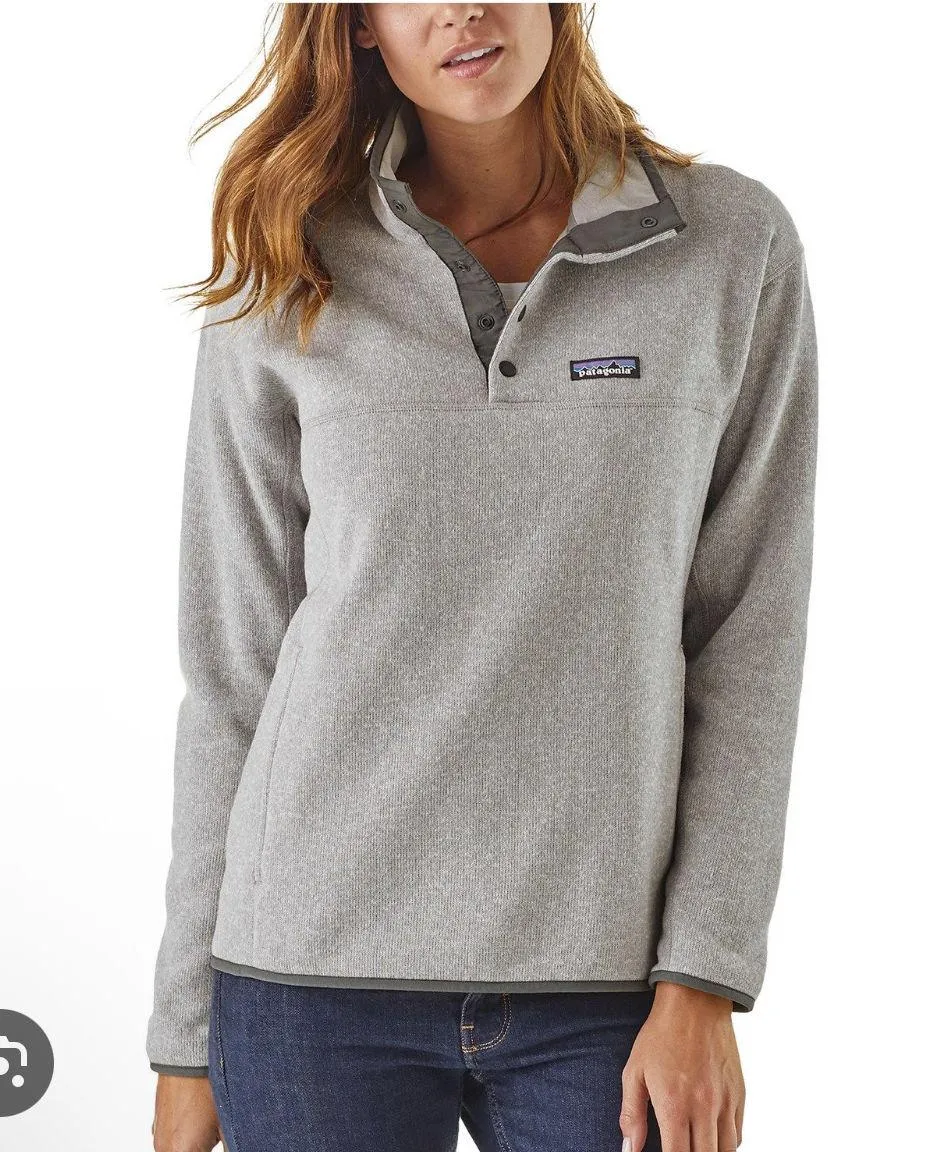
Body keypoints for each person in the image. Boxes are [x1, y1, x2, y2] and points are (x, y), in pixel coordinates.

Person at [147, 5, 819, 1152]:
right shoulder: (289, 251)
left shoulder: (726, 246)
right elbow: (231, 668)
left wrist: (703, 978)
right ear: (359, 26)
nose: (460, 9)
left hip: (608, 988)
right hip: (306, 978)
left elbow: (748, 642)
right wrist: (184, 1036)